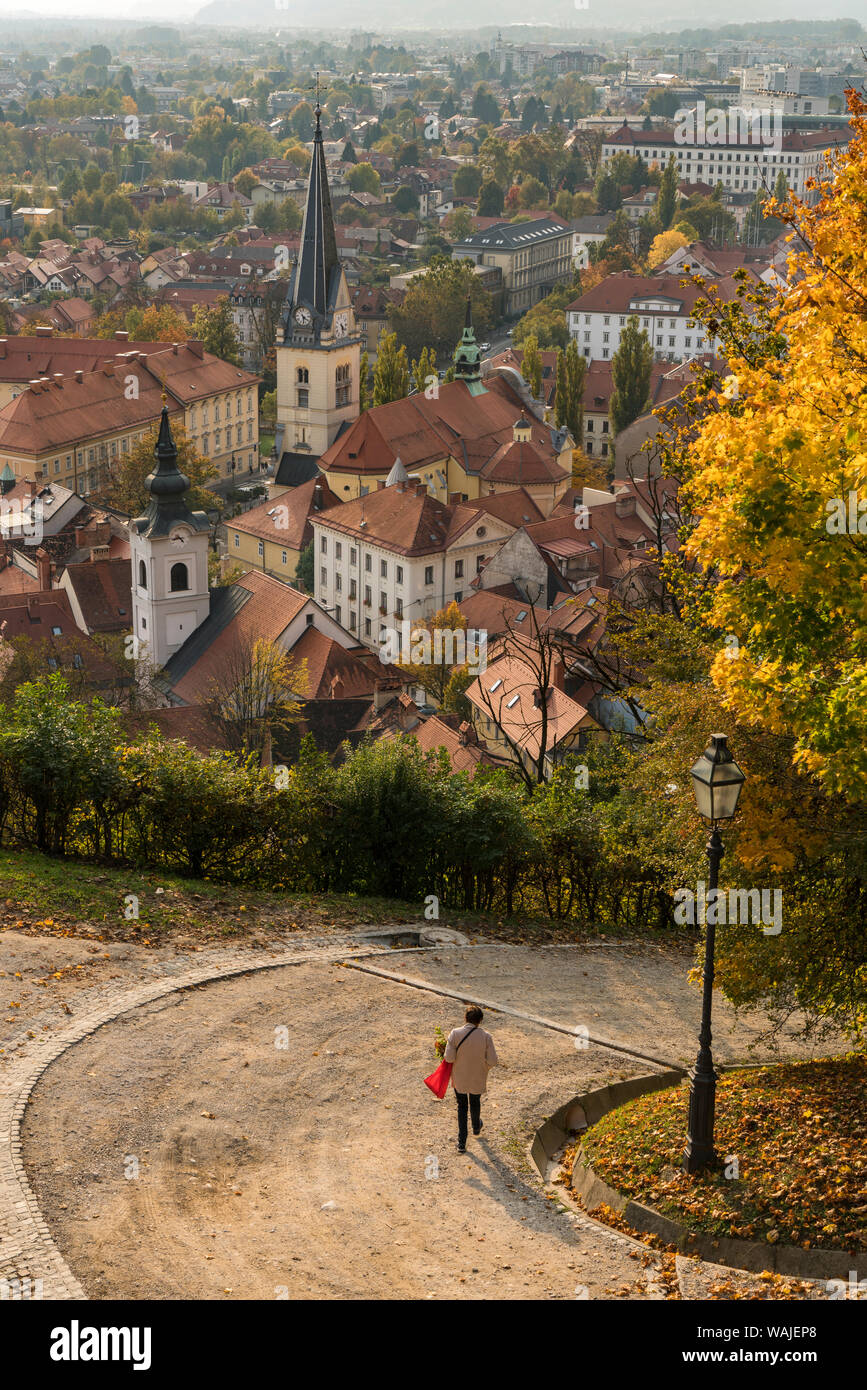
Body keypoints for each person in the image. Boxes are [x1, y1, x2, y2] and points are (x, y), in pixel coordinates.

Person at [443, 1006, 499, 1154]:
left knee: (462, 1106)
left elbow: (449, 1058)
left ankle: (461, 1143)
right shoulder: (486, 1036)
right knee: (475, 1101)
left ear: (465, 1018)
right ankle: (476, 1127)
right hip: (477, 1077)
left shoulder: (455, 1033)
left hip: (460, 1077)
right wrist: (484, 1067)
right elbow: (493, 1061)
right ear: (480, 1021)